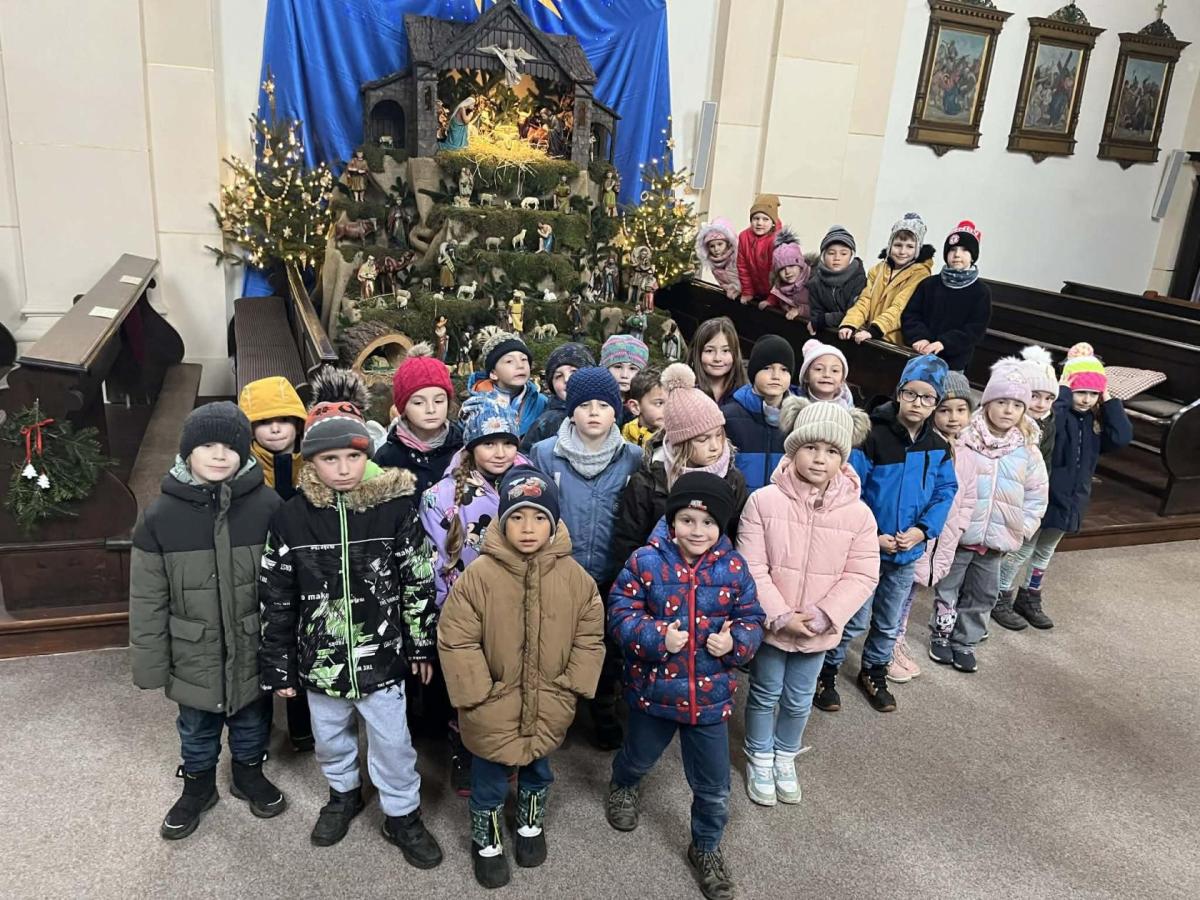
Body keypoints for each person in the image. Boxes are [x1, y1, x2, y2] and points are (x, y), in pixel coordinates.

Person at [258, 370, 442, 865]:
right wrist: (279, 664)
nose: (343, 468)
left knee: (393, 742)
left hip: (383, 659)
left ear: (368, 455)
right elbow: (276, 594)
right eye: (330, 458)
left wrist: (420, 644)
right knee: (330, 738)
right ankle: (343, 794)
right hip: (321, 660)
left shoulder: (395, 510)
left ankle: (402, 814)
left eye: (354, 456)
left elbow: (417, 579)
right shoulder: (290, 517)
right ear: (311, 460)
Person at [438, 467, 605, 888]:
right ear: (502, 520)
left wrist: (571, 685)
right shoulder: (479, 576)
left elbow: (589, 635)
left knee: (539, 767)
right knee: (489, 777)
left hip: (550, 697)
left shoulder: (576, 579)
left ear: (553, 523)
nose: (528, 528)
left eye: (538, 518)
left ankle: (530, 823)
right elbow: (456, 638)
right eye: (517, 517)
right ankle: (487, 840)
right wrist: (477, 693)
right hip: (492, 701)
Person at [130, 402, 286, 840]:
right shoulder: (160, 517)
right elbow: (147, 600)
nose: (220, 455)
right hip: (191, 649)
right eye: (208, 446)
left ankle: (248, 772)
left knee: (252, 718)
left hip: (251, 644)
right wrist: (150, 665)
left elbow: (284, 584)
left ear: (245, 452)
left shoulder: (268, 506)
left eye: (230, 447)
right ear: (187, 452)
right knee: (196, 726)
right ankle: (197, 785)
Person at [606, 473, 765, 900]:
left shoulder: (735, 567)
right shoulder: (645, 561)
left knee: (715, 787)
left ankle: (706, 846)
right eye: (688, 520)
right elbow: (619, 613)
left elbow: (753, 618)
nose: (698, 531)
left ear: (721, 525)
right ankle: (623, 785)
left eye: (708, 522)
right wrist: (657, 636)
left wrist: (736, 643)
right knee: (637, 757)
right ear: (672, 521)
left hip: (710, 699)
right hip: (654, 691)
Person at [737, 398, 877, 806]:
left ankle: (785, 754)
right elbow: (751, 565)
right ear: (794, 448)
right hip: (773, 624)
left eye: (831, 451)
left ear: (843, 458)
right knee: (764, 692)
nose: (819, 458)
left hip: (818, 629)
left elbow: (862, 574)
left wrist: (823, 615)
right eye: (811, 447)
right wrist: (780, 615)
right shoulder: (763, 501)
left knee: (799, 697)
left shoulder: (859, 515)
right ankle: (759, 755)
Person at [815, 355, 956, 713]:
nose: (918, 403)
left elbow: (945, 491)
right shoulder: (872, 436)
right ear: (899, 392)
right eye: (911, 394)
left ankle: (874, 670)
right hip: (866, 549)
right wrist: (872, 535)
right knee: (854, 618)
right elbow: (851, 489)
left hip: (907, 551)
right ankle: (826, 672)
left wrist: (922, 532)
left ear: (936, 403)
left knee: (889, 620)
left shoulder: (937, 446)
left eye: (927, 397)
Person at [530, 367, 642, 749]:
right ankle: (556, 711)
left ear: (617, 412)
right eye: (585, 405)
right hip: (561, 569)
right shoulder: (546, 454)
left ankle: (604, 706)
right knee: (556, 644)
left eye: (603, 405)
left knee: (607, 647)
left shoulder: (632, 458)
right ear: (571, 410)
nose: (594, 412)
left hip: (612, 572)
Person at [422, 398, 528, 795]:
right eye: (488, 443)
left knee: (511, 680)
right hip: (465, 611)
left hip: (519, 607)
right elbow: (434, 562)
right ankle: (464, 749)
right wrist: (448, 614)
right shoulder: (440, 497)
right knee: (469, 687)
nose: (500, 452)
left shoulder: (533, 485)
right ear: (471, 446)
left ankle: (506, 743)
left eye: (508, 442)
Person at [997, 344, 1131, 630]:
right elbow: (1048, 423)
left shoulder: (1094, 421)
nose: (1086, 399)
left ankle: (1029, 596)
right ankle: (1000, 595)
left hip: (1072, 499)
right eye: (1081, 392)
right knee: (1023, 549)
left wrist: (1108, 399)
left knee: (1045, 551)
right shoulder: (1058, 416)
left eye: (1093, 393)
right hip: (1044, 496)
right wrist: (1063, 391)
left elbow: (1121, 437)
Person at [929, 362, 1049, 673]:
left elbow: (1037, 495)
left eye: (1017, 405)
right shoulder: (965, 438)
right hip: (960, 535)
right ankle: (941, 633)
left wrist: (1020, 530)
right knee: (948, 588)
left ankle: (966, 641)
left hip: (997, 541)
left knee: (983, 594)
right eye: (1002, 402)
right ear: (987, 403)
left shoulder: (1027, 449)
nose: (1008, 410)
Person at [237, 376, 313, 751]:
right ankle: (259, 726)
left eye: (284, 420)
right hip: (260, 567)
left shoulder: (312, 461)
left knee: (303, 642)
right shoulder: (243, 468)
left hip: (306, 567)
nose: (276, 429)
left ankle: (302, 728)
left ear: (298, 422)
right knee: (265, 644)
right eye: (264, 422)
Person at [613, 363, 748, 570]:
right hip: (656, 579)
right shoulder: (648, 482)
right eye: (702, 439)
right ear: (681, 443)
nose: (715, 446)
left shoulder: (733, 480)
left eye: (718, 435)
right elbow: (627, 543)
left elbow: (737, 540)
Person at [890, 371, 978, 684]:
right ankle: (889, 644)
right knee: (896, 594)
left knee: (910, 595)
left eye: (961, 410)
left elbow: (968, 498)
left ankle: (896, 638)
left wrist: (960, 527)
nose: (953, 417)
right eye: (945, 410)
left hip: (944, 538)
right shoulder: (926, 446)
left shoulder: (969, 453)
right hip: (917, 536)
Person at [990, 345, 1060, 630]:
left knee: (1012, 551)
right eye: (1034, 396)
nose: (1041, 404)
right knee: (994, 555)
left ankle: (1000, 598)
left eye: (1049, 398)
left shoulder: (1049, 424)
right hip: (1004, 496)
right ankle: (992, 599)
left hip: (1026, 497)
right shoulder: (1011, 426)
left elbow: (1043, 469)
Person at [900, 220, 991, 372]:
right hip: (920, 354)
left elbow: (974, 329)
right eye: (952, 249)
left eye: (965, 250)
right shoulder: (929, 284)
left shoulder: (980, 291)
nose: (957, 254)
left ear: (973, 256)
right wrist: (919, 337)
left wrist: (944, 343)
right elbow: (911, 315)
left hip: (953, 364)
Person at [375, 343, 463, 497]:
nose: (431, 409)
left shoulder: (463, 448)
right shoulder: (387, 457)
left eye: (439, 401)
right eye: (418, 402)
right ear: (403, 407)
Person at [838, 212, 934, 346]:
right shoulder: (877, 270)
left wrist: (875, 329)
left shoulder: (920, 274)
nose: (902, 251)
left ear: (918, 249)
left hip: (893, 341)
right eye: (898, 245)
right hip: (870, 336)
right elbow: (865, 300)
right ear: (890, 245)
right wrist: (850, 323)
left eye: (910, 247)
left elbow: (900, 308)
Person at [721, 335, 797, 493]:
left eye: (784, 369)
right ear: (753, 372)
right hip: (738, 503)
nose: (776, 376)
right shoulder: (729, 416)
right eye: (767, 368)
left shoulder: (799, 419)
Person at [467, 331, 548, 438]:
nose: (520, 365)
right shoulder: (475, 406)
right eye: (509, 361)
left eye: (524, 359)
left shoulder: (541, 403)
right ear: (493, 373)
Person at [520, 342, 595, 452]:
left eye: (574, 372)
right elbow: (525, 457)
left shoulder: (607, 410)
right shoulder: (546, 422)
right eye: (559, 376)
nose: (567, 379)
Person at [807, 225, 867, 335]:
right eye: (831, 253)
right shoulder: (815, 282)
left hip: (854, 333)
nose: (837, 258)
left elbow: (853, 313)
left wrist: (825, 320)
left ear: (851, 256)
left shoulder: (860, 280)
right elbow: (816, 314)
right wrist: (820, 320)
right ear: (823, 256)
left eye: (843, 254)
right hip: (828, 334)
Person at [686, 316, 748, 403]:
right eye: (709, 351)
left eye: (725, 350)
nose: (717, 358)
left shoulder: (746, 395)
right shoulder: (683, 392)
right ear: (697, 353)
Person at [737, 193, 780, 303]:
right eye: (756, 218)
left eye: (765, 219)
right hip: (756, 291)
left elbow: (778, 273)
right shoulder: (744, 237)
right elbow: (742, 267)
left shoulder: (777, 240)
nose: (760, 223)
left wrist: (773, 298)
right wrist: (747, 291)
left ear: (773, 222)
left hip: (776, 295)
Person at [760, 227, 810, 321]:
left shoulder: (812, 283)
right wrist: (770, 301)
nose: (787, 272)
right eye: (782, 269)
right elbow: (779, 296)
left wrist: (800, 310)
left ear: (800, 265)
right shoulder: (780, 286)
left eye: (791, 266)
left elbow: (820, 308)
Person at [796, 339, 854, 408]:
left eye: (835, 370)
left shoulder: (847, 409)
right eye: (819, 369)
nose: (827, 375)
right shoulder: (795, 407)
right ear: (806, 376)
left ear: (842, 380)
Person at [600, 333, 650, 410]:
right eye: (618, 367)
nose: (624, 375)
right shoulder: (593, 401)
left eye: (632, 368)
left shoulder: (647, 406)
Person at [620, 365, 666, 449]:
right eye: (659, 403)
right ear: (635, 407)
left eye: (671, 403)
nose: (668, 410)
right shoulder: (626, 432)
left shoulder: (673, 438)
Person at [696, 218, 741, 300]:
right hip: (732, 296)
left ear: (728, 243)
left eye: (720, 244)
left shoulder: (737, 258)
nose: (716, 249)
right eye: (712, 246)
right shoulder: (714, 264)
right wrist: (729, 289)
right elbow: (722, 284)